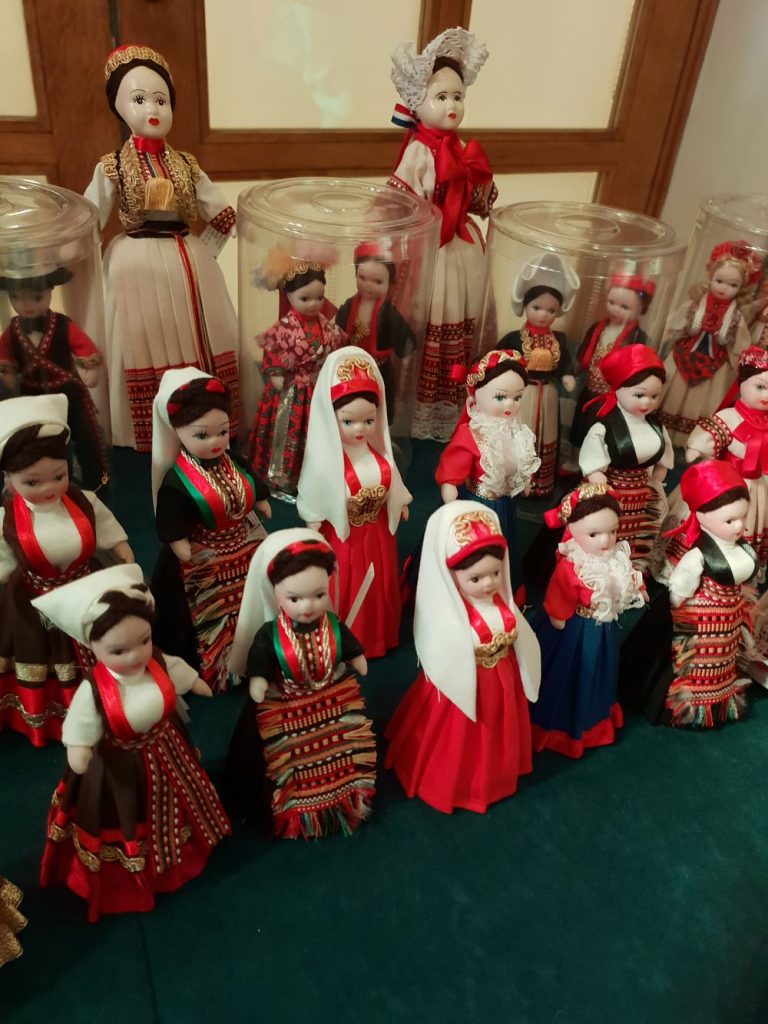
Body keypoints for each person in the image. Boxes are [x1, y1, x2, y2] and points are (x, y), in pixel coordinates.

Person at [33, 563, 230, 921]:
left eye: (143, 641)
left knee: (181, 797)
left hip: (167, 748)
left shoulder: (156, 660)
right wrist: (78, 748)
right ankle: (134, 880)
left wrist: (193, 682)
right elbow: (81, 722)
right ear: (93, 646)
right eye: (118, 650)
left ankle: (184, 854)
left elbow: (175, 668)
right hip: (120, 769)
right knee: (129, 816)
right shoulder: (95, 689)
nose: (136, 655)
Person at [85, 44, 239, 451]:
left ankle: (206, 420)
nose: (152, 108)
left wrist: (208, 253)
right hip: (135, 265)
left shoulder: (187, 164)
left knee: (201, 336)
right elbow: (88, 220)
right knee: (138, 337)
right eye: (139, 99)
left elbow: (222, 214)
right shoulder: (112, 167)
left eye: (161, 100)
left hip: (187, 258)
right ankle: (146, 427)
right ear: (120, 107)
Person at [385, 502, 540, 813]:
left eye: (495, 573)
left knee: (499, 728)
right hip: (467, 683)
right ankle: (454, 780)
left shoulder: (502, 601)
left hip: (502, 679)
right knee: (456, 736)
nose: (489, 583)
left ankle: (496, 774)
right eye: (476, 578)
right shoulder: (451, 616)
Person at [0, 394, 132, 747]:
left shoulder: (84, 500)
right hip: (35, 602)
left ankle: (109, 700)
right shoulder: (7, 519)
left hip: (86, 585)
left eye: (58, 476)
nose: (48, 489)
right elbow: (3, 560)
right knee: (43, 655)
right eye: (32, 482)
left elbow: (107, 528)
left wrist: (122, 550)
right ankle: (56, 716)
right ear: (10, 480)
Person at [227, 529, 376, 838]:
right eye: (294, 598)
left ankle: (342, 799)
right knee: (288, 761)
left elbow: (347, 645)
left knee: (342, 750)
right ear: (275, 593)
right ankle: (300, 812)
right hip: (287, 703)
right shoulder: (271, 634)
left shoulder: (331, 625)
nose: (307, 606)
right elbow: (261, 657)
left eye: (319, 595)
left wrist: (356, 657)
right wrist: (258, 679)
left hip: (331, 699)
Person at [389, 27, 496, 440]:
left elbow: (477, 198)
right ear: (418, 102)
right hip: (431, 247)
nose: (452, 105)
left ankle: (457, 401)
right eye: (441, 97)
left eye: (457, 97)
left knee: (462, 316)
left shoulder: (459, 145)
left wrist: (477, 186)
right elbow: (399, 203)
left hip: (462, 246)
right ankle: (417, 404)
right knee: (429, 316)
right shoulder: (419, 149)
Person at [151, 368, 270, 692]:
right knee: (204, 608)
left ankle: (257, 652)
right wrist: (178, 541)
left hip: (243, 540)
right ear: (178, 433)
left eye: (222, 432)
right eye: (202, 436)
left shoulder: (231, 460)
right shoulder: (179, 478)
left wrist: (259, 499)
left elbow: (248, 477)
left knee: (256, 594)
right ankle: (220, 661)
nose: (216, 442)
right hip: (204, 552)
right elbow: (173, 513)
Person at [297, 348, 411, 658]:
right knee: (347, 583)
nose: (360, 429)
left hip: (378, 534)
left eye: (369, 420)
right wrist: (313, 516)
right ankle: (347, 636)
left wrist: (399, 501)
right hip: (344, 537)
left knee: (380, 584)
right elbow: (316, 490)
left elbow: (391, 477)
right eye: (349, 421)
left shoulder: (377, 453)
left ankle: (378, 637)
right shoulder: (327, 461)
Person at [530, 484, 646, 758]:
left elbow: (627, 575)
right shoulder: (573, 563)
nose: (606, 540)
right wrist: (557, 614)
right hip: (576, 628)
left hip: (604, 628)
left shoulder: (617, 556)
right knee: (570, 669)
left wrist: (638, 588)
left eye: (612, 531)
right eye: (594, 534)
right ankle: (560, 724)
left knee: (600, 669)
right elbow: (559, 591)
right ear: (573, 529)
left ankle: (593, 716)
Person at [435, 349, 539, 589]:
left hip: (504, 503)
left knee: (503, 545)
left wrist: (524, 479)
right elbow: (454, 461)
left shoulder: (517, 432)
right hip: (479, 504)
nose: (510, 404)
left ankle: (501, 590)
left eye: (517, 397)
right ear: (476, 396)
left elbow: (518, 459)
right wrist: (449, 484)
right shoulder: (473, 433)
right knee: (478, 551)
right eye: (500, 397)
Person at [248, 247, 346, 497]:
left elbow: (335, 349)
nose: (314, 304)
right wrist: (275, 373)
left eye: (319, 297)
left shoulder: (327, 328)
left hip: (318, 388)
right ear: (289, 295)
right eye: (305, 298)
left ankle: (314, 476)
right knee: (285, 432)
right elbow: (272, 350)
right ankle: (280, 477)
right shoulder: (283, 329)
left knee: (316, 434)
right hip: (289, 392)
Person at [0, 264, 108, 489]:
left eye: (36, 297)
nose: (26, 305)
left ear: (50, 291)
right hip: (32, 395)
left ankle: (96, 481)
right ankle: (48, 480)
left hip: (68, 392)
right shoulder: (12, 330)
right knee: (42, 439)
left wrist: (89, 366)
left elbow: (83, 346)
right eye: (17, 298)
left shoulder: (62, 324)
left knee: (86, 434)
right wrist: (6, 373)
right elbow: (4, 355)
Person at [579, 346, 673, 572]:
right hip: (611, 491)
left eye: (654, 396)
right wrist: (598, 479)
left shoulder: (656, 425)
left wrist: (658, 475)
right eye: (639, 395)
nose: (647, 402)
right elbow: (592, 459)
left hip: (643, 492)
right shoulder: (606, 426)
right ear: (619, 389)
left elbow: (664, 454)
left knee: (639, 533)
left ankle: (631, 569)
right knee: (608, 531)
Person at [658, 240, 758, 447]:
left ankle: (689, 441)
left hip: (714, 366)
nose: (724, 288)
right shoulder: (694, 306)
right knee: (672, 394)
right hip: (682, 358)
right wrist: (662, 341)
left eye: (733, 285)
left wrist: (740, 367)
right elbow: (672, 327)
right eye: (719, 280)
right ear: (711, 277)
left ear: (741, 288)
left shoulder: (736, 317)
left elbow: (740, 347)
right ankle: (661, 433)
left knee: (700, 402)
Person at [496, 252, 579, 496]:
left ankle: (540, 483)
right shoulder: (514, 338)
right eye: (537, 307)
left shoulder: (558, 339)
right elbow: (497, 358)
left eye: (551, 310)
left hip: (548, 394)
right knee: (517, 431)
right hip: (521, 393)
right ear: (525, 307)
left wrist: (566, 374)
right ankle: (512, 480)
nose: (543, 314)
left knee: (546, 433)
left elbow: (564, 361)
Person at [684, 346, 768, 573]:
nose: (766, 396)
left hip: (756, 489)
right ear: (742, 384)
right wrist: (697, 450)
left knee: (746, 524)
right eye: (760, 387)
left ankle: (738, 565)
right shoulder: (731, 416)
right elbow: (711, 435)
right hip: (724, 484)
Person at [334, 242, 416, 423]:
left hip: (378, 370)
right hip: (350, 369)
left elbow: (405, 339)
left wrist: (405, 351)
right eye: (362, 278)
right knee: (348, 405)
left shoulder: (388, 313)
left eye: (377, 281)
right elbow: (339, 329)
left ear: (390, 284)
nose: (368, 286)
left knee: (378, 406)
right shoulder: (349, 306)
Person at [570, 273, 653, 448]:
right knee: (581, 427)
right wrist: (572, 372)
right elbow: (583, 353)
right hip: (589, 390)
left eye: (624, 307)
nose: (615, 309)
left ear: (640, 309)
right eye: (612, 303)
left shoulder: (637, 337)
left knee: (602, 433)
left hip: (613, 398)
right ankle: (575, 455)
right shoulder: (597, 328)